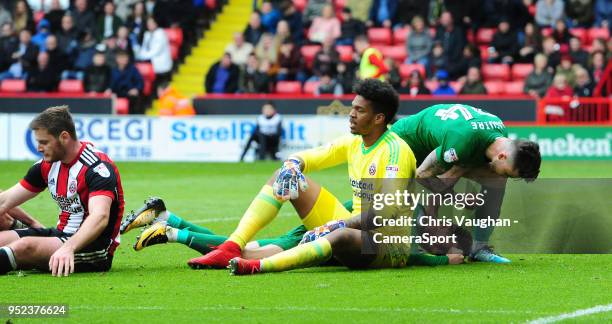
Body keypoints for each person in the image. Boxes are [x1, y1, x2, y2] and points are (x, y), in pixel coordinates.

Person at [178, 79, 426, 270]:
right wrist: (293, 164)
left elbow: (387, 212)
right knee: (285, 176)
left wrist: (337, 224)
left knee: (338, 235)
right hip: (353, 227)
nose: (351, 114)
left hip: (387, 245)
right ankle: (231, 246)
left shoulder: (396, 151)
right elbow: (311, 156)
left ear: (379, 118)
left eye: (359, 111)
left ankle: (258, 267)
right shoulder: (355, 142)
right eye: (352, 108)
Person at [389, 104, 541, 262]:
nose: (507, 177)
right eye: (508, 173)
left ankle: (479, 247)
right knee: (410, 187)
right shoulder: (463, 142)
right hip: (404, 142)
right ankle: (413, 248)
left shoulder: (500, 136)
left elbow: (459, 168)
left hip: (447, 145)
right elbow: (421, 175)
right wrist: (457, 199)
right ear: (502, 156)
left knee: (496, 179)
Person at [0, 106, 124, 276]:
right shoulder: (46, 166)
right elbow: (5, 201)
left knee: (24, 247)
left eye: (44, 142)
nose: (38, 148)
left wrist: (68, 248)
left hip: (94, 248)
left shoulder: (96, 168)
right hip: (60, 234)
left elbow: (100, 217)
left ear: (64, 137)